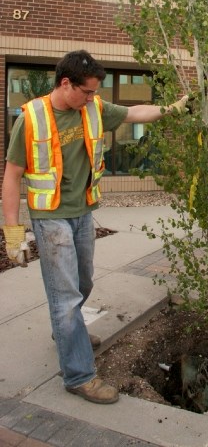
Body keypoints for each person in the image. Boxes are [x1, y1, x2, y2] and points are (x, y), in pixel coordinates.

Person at [1, 50, 189, 405]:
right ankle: (79, 375)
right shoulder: (32, 118)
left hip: (84, 212)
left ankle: (67, 331)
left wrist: (172, 109)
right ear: (66, 83)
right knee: (66, 295)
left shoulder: (92, 108)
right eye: (87, 92)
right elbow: (11, 176)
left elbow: (134, 112)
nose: (92, 99)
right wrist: (12, 232)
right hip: (51, 215)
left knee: (83, 281)